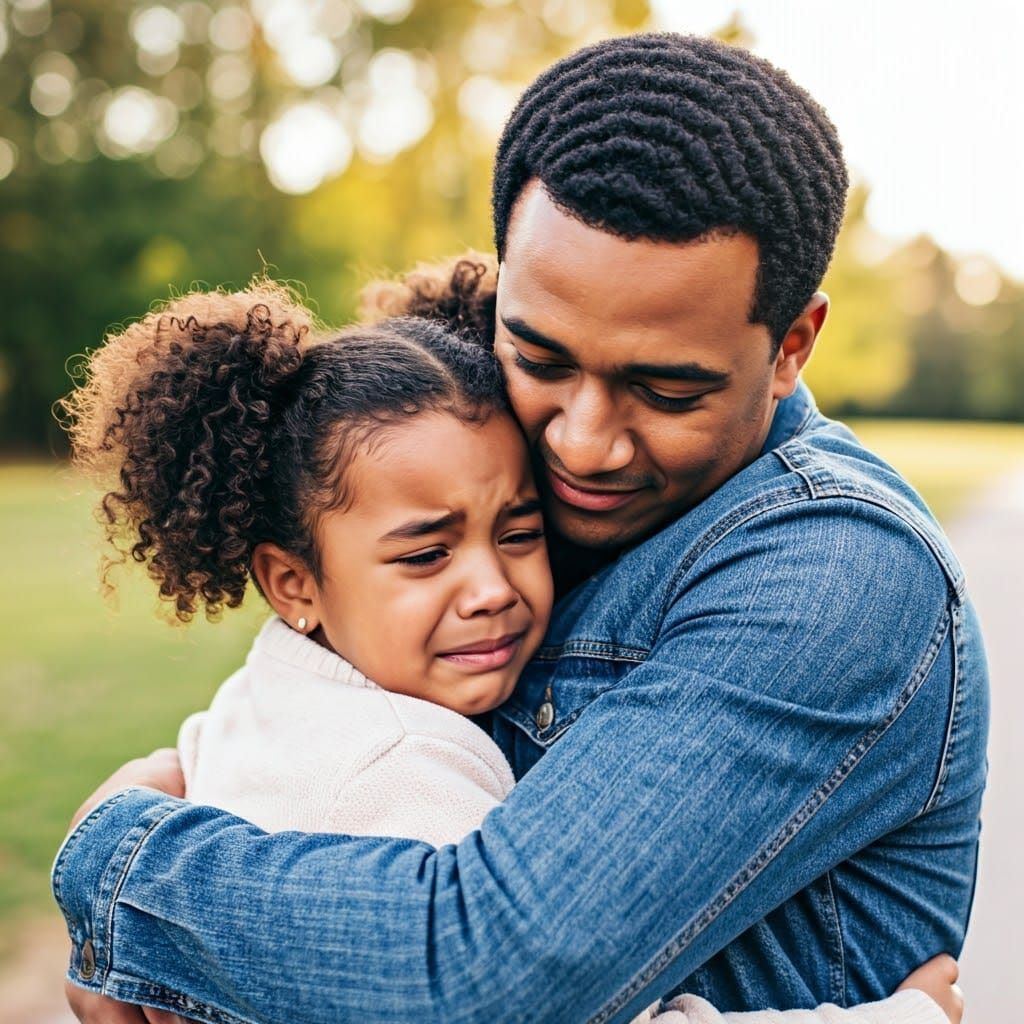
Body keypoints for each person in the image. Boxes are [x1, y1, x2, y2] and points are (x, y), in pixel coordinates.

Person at [54, 32, 986, 1024]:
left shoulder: (838, 566)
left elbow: (490, 976)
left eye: (664, 387)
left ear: (792, 343)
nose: (583, 445)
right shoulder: (488, 462)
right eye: (540, 357)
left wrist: (121, 879)